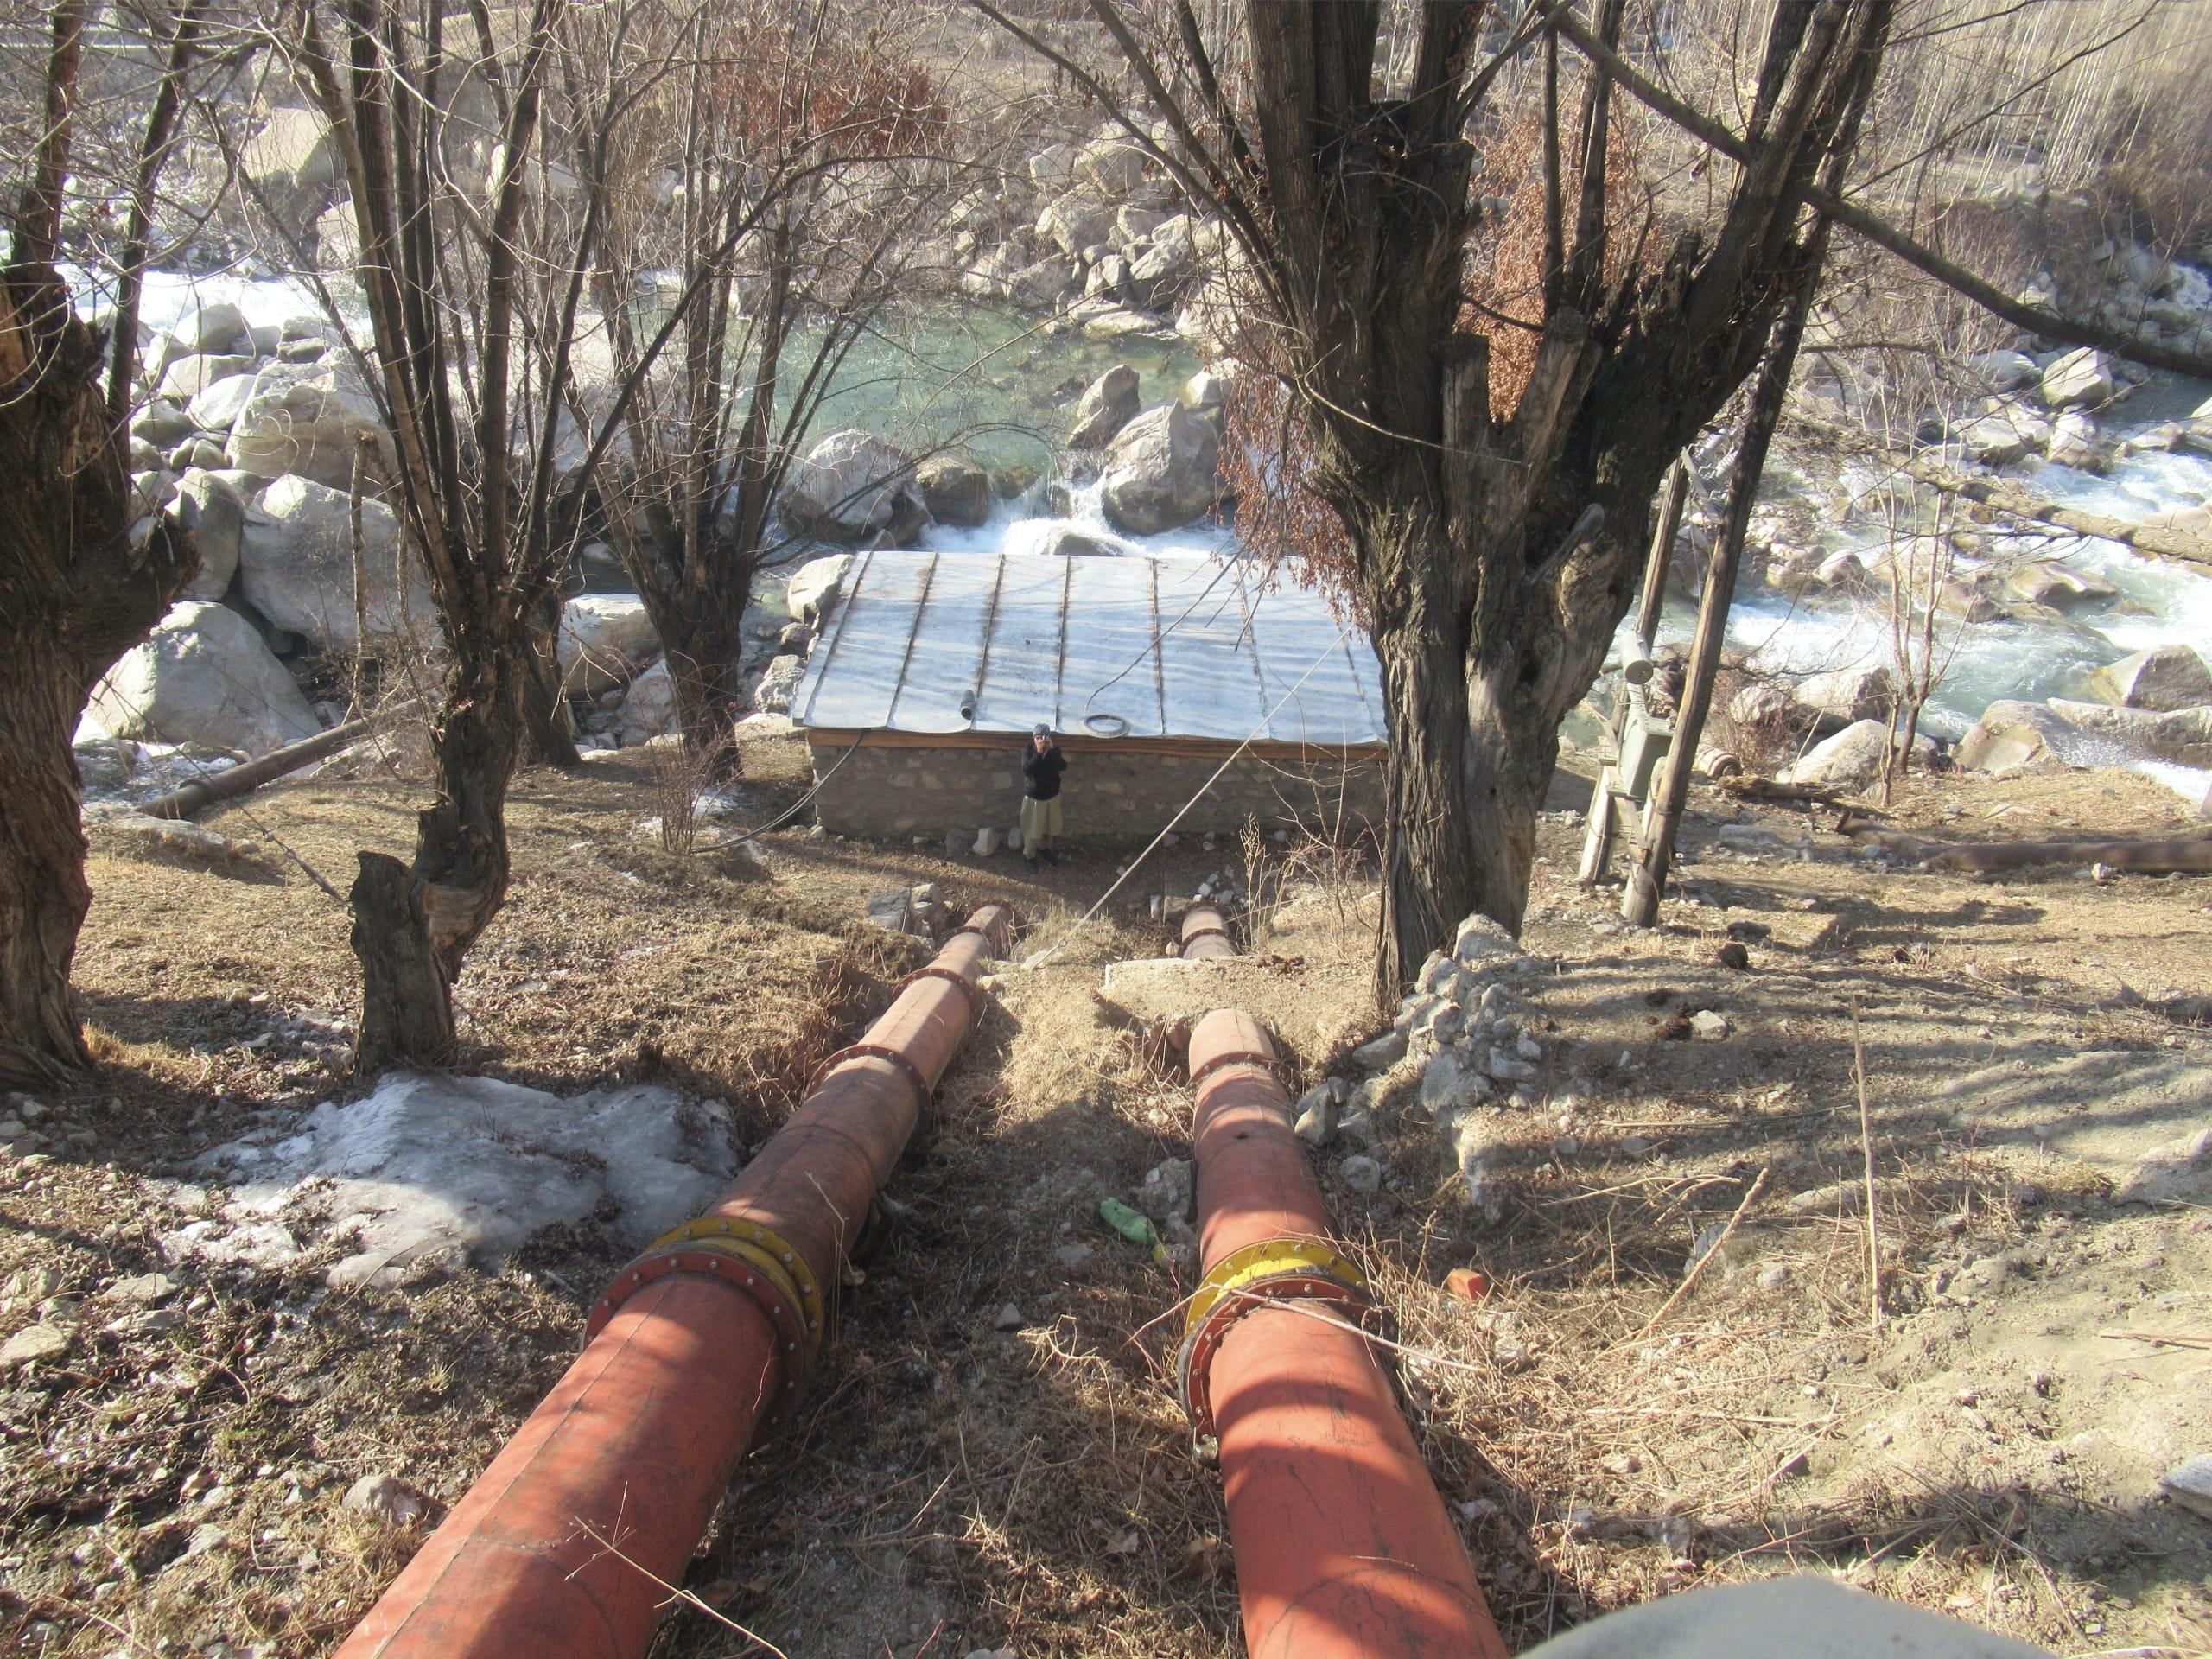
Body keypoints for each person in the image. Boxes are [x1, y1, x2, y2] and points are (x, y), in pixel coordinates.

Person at [1019, 722, 1066, 873]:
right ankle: (1029, 855)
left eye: (1043, 737)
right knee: (1032, 829)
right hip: (1035, 799)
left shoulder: (1053, 752)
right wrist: (1039, 753)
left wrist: (1052, 749)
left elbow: (1062, 766)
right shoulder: (1028, 750)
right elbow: (1027, 770)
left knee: (1048, 827)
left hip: (1051, 797)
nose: (1041, 740)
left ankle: (1043, 848)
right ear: (1033, 738)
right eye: (1038, 737)